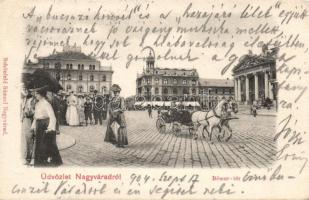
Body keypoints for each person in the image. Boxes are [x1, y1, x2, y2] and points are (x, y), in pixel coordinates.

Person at [30, 86, 62, 167]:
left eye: (37, 94)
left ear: (41, 94)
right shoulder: (37, 104)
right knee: (38, 144)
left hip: (44, 125)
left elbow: (52, 117)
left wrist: (50, 128)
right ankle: (39, 163)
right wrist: (33, 126)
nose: (35, 95)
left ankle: (45, 162)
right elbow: (36, 117)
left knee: (44, 145)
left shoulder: (46, 104)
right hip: (38, 125)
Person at [21, 89, 36, 165]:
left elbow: (35, 112)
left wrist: (30, 113)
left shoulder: (34, 100)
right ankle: (28, 158)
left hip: (31, 121)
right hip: (25, 121)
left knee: (31, 139)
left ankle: (32, 158)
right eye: (25, 90)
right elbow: (23, 111)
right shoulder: (25, 100)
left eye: (28, 90)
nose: (26, 92)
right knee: (27, 140)